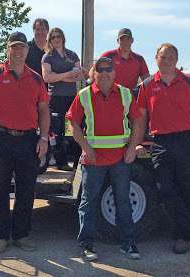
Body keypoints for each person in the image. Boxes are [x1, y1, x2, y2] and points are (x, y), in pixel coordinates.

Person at [66, 57, 145, 261]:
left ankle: (128, 244)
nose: (105, 73)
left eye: (109, 69)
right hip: (93, 160)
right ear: (94, 73)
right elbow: (73, 124)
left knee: (123, 202)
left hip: (120, 157)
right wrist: (85, 148)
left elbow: (138, 121)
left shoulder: (126, 94)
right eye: (100, 70)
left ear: (114, 73)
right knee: (88, 203)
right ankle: (86, 245)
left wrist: (132, 148)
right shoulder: (84, 95)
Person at [0, 31, 50, 253]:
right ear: (8, 49)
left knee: (26, 190)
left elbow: (44, 110)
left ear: (27, 51)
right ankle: (0, 237)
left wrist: (44, 138)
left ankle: (22, 235)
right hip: (1, 139)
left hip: (28, 140)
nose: (18, 52)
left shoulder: (36, 78)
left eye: (22, 48)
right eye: (14, 47)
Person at [137, 43, 190, 254]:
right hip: (161, 142)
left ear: (176, 60)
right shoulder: (148, 85)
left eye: (169, 57)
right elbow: (141, 118)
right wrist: (138, 142)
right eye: (162, 57)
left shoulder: (189, 81)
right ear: (155, 58)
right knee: (165, 189)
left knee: (187, 189)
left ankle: (182, 236)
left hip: (187, 141)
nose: (165, 60)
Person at [41, 27, 84, 171]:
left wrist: (58, 75)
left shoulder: (72, 55)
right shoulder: (47, 57)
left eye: (58, 36)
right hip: (55, 98)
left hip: (73, 97)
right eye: (53, 37)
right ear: (50, 40)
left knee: (78, 128)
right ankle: (61, 162)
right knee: (57, 131)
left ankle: (79, 161)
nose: (56, 39)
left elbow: (79, 75)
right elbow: (47, 77)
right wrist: (68, 74)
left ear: (63, 37)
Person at [90, 28, 149, 93]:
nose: (125, 42)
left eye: (128, 39)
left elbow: (147, 81)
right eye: (122, 39)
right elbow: (93, 72)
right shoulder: (108, 55)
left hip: (130, 98)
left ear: (132, 40)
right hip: (110, 96)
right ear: (118, 41)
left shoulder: (139, 59)